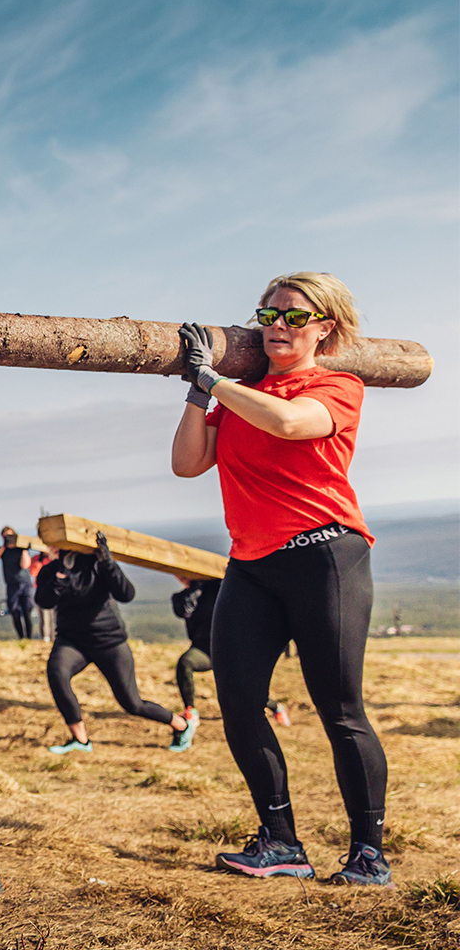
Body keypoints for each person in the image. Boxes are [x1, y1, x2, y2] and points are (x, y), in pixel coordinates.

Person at [171, 272, 388, 886]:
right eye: (268, 316)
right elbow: (187, 464)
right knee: (237, 702)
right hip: (250, 565)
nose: (278, 327)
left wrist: (214, 380)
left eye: (294, 316)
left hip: (326, 557)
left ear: (325, 328)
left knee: (339, 709)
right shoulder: (242, 395)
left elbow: (291, 424)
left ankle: (368, 854)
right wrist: (197, 391)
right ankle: (281, 843)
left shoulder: (336, 386)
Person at [36, 532, 191, 755]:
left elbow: (126, 594)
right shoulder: (52, 571)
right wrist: (61, 575)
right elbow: (44, 601)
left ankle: (181, 725)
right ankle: (80, 740)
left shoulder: (96, 565)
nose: (55, 549)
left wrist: (107, 562)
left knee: (132, 703)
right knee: (57, 673)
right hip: (72, 641)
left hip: (108, 640)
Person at [169, 575, 291, 754]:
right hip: (203, 649)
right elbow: (184, 611)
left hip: (229, 648)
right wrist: (193, 589)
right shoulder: (182, 597)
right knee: (185, 662)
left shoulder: (219, 588)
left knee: (240, 690)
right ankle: (190, 712)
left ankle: (275, 707)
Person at [0, 526, 37, 639]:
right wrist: (5, 546)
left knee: (27, 610)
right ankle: (21, 637)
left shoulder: (20, 549)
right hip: (11, 584)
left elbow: (25, 565)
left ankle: (29, 638)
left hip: (25, 583)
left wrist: (24, 549)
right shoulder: (3, 550)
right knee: (14, 610)